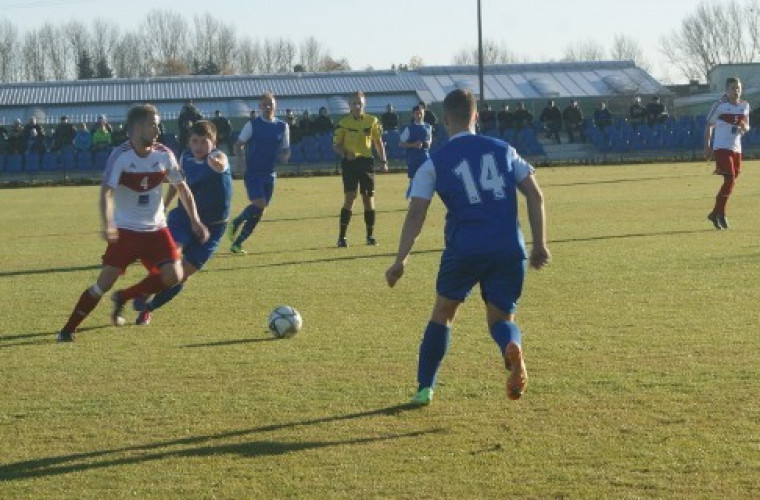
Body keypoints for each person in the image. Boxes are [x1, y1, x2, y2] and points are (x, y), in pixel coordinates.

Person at [385, 88, 550, 406]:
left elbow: (416, 213)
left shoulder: (434, 163)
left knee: (443, 314)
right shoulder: (504, 149)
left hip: (465, 248)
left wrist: (400, 260)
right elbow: (535, 195)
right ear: (476, 116)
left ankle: (424, 389)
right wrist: (540, 243)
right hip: (508, 248)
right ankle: (510, 348)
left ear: (445, 119)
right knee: (501, 321)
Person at [56, 104, 209, 342]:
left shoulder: (164, 154)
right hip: (126, 231)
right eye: (153, 124)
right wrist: (108, 223)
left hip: (157, 230)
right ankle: (68, 329)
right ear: (137, 128)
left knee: (175, 274)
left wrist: (196, 220)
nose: (158, 129)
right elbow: (106, 192)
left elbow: (182, 189)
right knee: (103, 284)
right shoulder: (121, 156)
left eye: (158, 124)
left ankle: (124, 297)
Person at [133, 120, 232, 325]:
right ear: (189, 142)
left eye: (204, 142)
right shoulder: (185, 157)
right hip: (183, 217)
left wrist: (217, 162)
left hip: (213, 227)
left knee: (181, 276)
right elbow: (176, 184)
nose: (198, 147)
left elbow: (220, 162)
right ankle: (144, 290)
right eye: (194, 141)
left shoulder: (218, 157)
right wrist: (164, 206)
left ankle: (148, 308)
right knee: (172, 256)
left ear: (213, 142)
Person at [226, 92, 290, 254]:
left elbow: (286, 148)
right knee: (259, 204)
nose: (268, 107)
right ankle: (236, 221)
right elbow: (238, 144)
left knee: (260, 211)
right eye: (265, 104)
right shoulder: (253, 125)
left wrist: (285, 155)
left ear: (275, 106)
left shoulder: (283, 126)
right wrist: (240, 161)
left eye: (271, 104)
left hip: (270, 174)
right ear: (260, 106)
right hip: (253, 173)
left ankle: (238, 243)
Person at [332, 90, 388, 247]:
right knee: (350, 198)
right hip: (350, 164)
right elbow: (336, 145)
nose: (357, 106)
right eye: (354, 103)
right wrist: (345, 153)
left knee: (368, 200)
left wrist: (384, 161)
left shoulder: (372, 121)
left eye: (360, 103)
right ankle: (342, 238)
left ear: (364, 104)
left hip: (366, 163)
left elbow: (378, 143)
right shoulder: (343, 123)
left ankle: (370, 236)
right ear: (349, 105)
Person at [704, 77, 750, 230]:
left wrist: (744, 127)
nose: (736, 91)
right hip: (722, 147)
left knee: (731, 181)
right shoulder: (719, 106)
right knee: (729, 179)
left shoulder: (745, 105)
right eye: (732, 88)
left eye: (738, 88)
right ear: (726, 90)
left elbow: (747, 127)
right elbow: (709, 125)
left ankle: (715, 213)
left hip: (736, 148)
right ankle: (721, 214)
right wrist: (707, 146)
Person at [399, 104, 432, 196]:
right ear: (413, 115)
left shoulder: (428, 127)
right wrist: (413, 145)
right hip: (413, 158)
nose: (419, 116)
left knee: (426, 179)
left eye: (421, 113)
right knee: (414, 179)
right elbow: (401, 143)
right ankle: (411, 197)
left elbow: (429, 141)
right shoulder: (409, 129)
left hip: (425, 157)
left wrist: (425, 144)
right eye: (417, 114)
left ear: (424, 114)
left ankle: (422, 198)